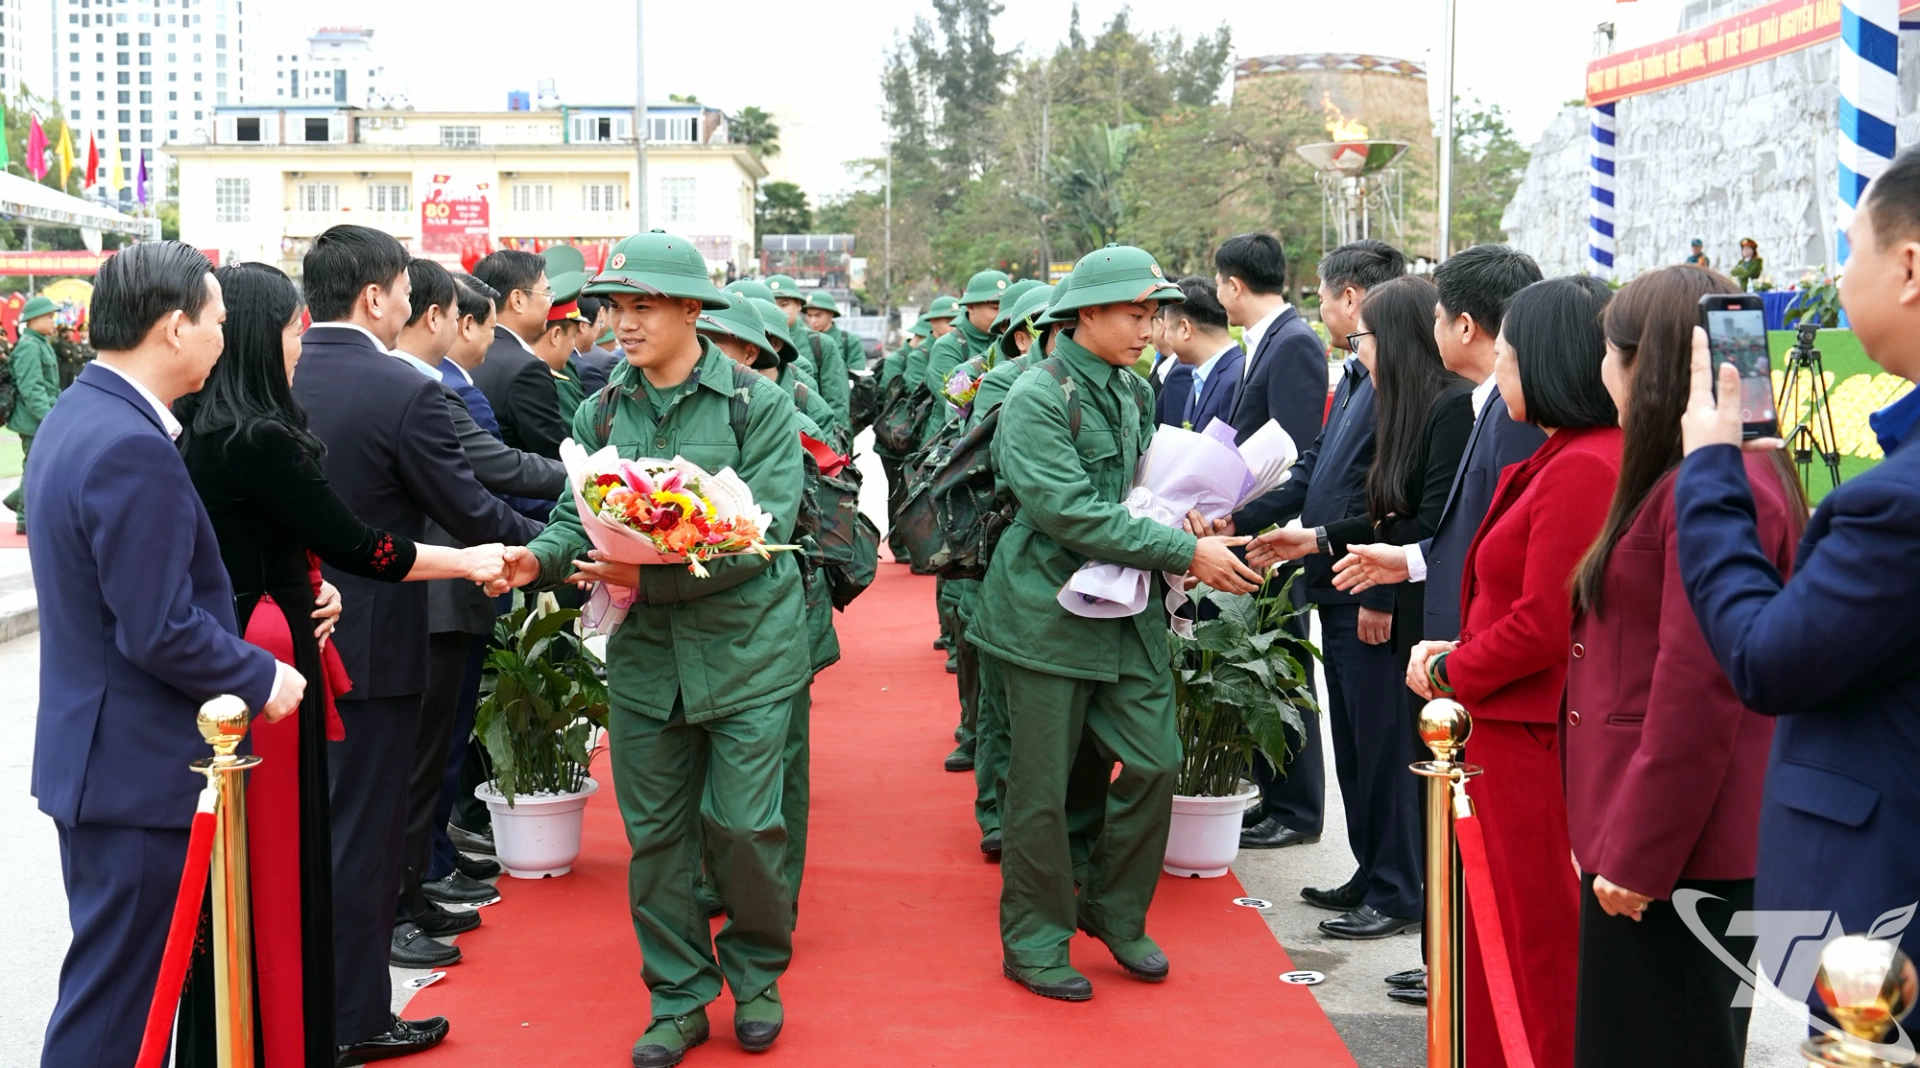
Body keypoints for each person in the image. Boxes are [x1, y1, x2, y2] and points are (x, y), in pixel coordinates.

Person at [174, 261, 510, 1066]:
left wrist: (308, 590)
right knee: (295, 855)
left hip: (267, 636)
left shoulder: (200, 425)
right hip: (271, 662)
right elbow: (366, 546)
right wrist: (470, 562)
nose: (302, 345)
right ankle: (307, 1027)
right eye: (291, 330)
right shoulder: (257, 436)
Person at [493, 230, 807, 1067]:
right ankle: (678, 998)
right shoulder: (599, 409)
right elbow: (577, 516)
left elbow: (761, 537)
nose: (622, 324)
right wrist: (539, 559)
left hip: (746, 656)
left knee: (745, 829)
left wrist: (644, 569)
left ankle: (758, 974)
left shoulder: (756, 406)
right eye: (614, 308)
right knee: (658, 838)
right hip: (646, 665)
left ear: (690, 311)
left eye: (642, 307)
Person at [29, 242, 305, 1068]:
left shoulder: (82, 414)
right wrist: (262, 676)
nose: (225, 337)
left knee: (120, 993)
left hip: (105, 760)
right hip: (137, 769)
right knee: (117, 1009)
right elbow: (155, 626)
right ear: (175, 326)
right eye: (218, 321)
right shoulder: (128, 443)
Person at [967, 245, 1264, 1001]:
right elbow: (1064, 510)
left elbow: (1133, 496)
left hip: (1123, 610)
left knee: (1154, 761)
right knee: (1040, 790)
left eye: (1152, 314)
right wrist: (1183, 550)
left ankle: (1111, 907)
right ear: (1086, 314)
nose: (1149, 328)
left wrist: (1185, 514)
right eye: (1136, 313)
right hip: (1043, 615)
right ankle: (1036, 939)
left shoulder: (1133, 395)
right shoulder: (1038, 395)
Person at [290, 225, 544, 1064]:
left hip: (285, 640)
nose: (412, 303)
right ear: (374, 297)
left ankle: (299, 1009)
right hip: (374, 648)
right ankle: (354, 1019)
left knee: (310, 838)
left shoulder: (280, 375)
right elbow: (473, 511)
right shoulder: (400, 390)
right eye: (404, 289)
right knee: (363, 843)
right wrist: (557, 554)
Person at [1674, 150, 1920, 1004]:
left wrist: (1711, 473)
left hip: (1886, 933)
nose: (1842, 278)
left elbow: (1767, 658)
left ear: (1909, 267)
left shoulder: (1897, 504)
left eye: (1852, 252)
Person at [1559, 265, 1803, 1067]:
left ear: (1646, 365)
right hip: (1658, 833)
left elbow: (1698, 690)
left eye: (1609, 352)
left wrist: (1638, 852)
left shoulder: (1727, 487)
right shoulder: (1695, 478)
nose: (1601, 372)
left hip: (1680, 848)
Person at [1405, 274, 1621, 1068]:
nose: (1500, 371)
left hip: (1526, 740)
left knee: (1526, 942)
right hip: (1502, 732)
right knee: (1499, 936)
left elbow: (1538, 624)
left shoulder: (1582, 467)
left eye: (1511, 357)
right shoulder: (1564, 455)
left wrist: (1451, 669)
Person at [389, 259, 566, 961]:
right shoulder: (413, 389)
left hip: (453, 583)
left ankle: (424, 872)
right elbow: (482, 478)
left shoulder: (435, 385)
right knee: (421, 755)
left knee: (437, 749)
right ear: (440, 317)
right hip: (435, 588)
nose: (489, 341)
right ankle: (415, 878)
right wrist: (562, 529)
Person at [1228, 239, 1402, 853]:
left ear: (1350, 297)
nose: (1320, 309)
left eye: (1324, 296)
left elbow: (1389, 494)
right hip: (1329, 562)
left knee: (1380, 747)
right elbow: (1314, 467)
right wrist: (1242, 520)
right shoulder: (1358, 372)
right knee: (1356, 745)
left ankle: (1393, 884)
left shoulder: (1394, 380)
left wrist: (1339, 554)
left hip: (1364, 575)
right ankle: (1371, 875)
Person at [470, 249, 568, 458]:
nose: (550, 303)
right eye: (547, 294)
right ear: (517, 300)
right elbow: (554, 456)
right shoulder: (527, 369)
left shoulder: (468, 354)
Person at [1155, 277, 1243, 430]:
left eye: (1167, 329)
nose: (1166, 338)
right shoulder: (1201, 375)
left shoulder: (1237, 379)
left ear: (1185, 329)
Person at [5, 295, 61, 534]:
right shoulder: (30, 346)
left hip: (40, 417)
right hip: (34, 420)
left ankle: (17, 502)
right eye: (48, 316)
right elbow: (32, 389)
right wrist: (50, 418)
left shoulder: (39, 343)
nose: (53, 321)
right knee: (36, 467)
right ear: (34, 319)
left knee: (40, 465)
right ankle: (23, 518)